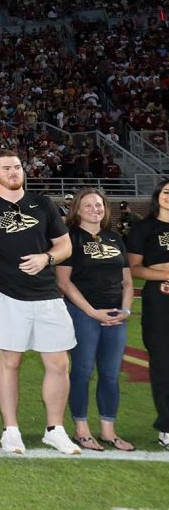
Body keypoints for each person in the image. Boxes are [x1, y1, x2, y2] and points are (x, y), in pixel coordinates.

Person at [0, 149, 80, 455]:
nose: (13, 171)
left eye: (18, 167)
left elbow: (64, 246)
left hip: (47, 293)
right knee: (10, 361)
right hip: (7, 295)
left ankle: (55, 429)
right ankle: (11, 430)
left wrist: (45, 257)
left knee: (59, 362)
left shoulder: (43, 203)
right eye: (6, 168)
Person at [55, 188, 134, 451]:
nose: (94, 209)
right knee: (82, 372)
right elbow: (64, 282)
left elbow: (127, 281)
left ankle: (108, 431)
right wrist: (91, 312)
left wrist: (125, 311)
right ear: (77, 209)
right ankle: (81, 429)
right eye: (87, 205)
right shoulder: (70, 239)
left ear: (105, 208)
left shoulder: (115, 239)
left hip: (115, 314)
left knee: (111, 375)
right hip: (83, 314)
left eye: (98, 205)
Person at [126, 178, 169, 450]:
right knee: (164, 363)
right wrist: (165, 274)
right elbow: (134, 268)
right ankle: (167, 426)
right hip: (161, 300)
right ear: (158, 195)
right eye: (166, 192)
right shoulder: (145, 228)